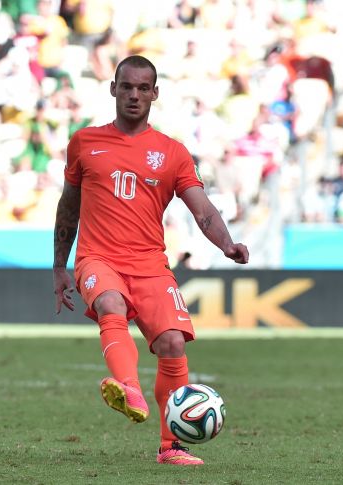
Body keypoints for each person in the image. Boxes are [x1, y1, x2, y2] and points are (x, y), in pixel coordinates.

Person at [52, 56, 249, 465]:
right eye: (127, 87)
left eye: (144, 88)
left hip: (149, 264)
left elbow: (203, 210)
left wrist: (226, 244)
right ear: (113, 89)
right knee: (110, 303)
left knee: (173, 343)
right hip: (98, 257)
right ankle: (128, 387)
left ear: (155, 94)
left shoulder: (171, 152)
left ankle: (170, 447)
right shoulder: (85, 142)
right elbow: (68, 206)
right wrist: (59, 264)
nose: (134, 95)